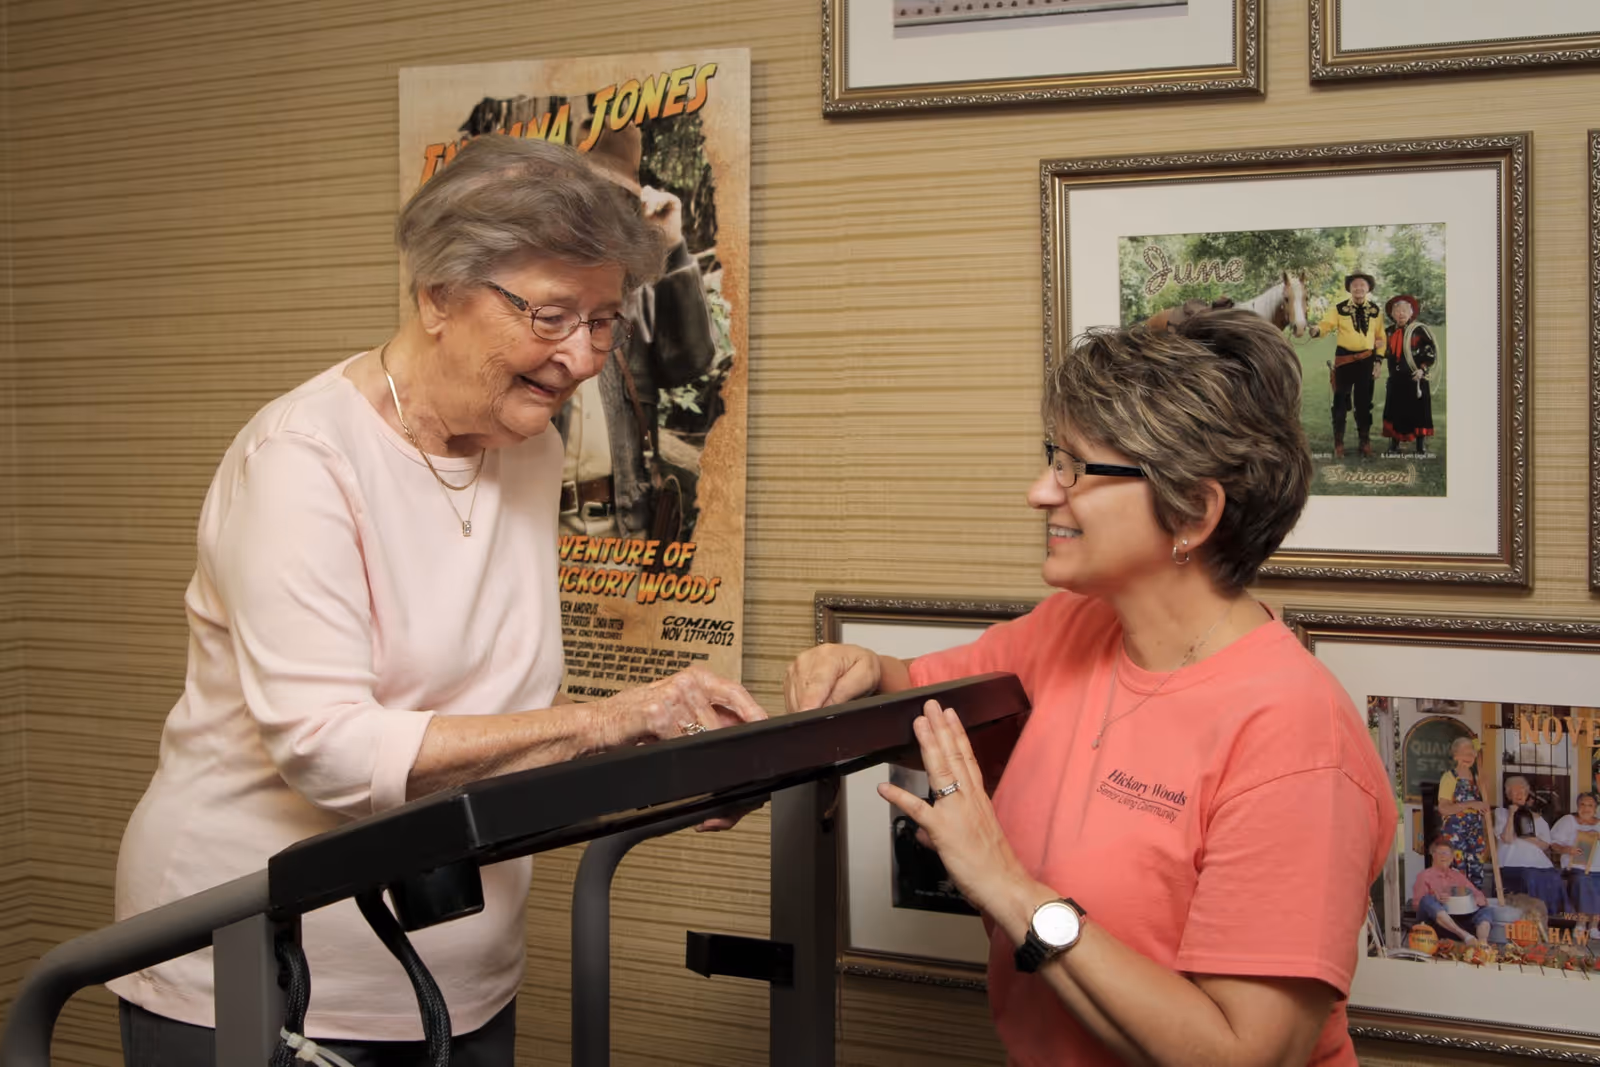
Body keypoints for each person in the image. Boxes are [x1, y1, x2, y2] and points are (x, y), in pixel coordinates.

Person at [109, 134, 765, 1067]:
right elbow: (330, 747)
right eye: (550, 314)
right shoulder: (302, 461)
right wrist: (612, 720)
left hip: (458, 962)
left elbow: (505, 716)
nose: (582, 356)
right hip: (253, 969)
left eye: (606, 319)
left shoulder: (523, 444)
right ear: (437, 295)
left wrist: (664, 744)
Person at [785, 310, 1395, 1067]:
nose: (1041, 491)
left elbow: (1240, 1054)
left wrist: (1009, 886)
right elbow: (922, 694)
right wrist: (862, 671)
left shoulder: (1299, 739)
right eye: (1053, 459)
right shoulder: (1070, 629)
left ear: (1193, 512)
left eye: (1076, 468)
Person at [552, 120, 717, 547]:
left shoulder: (635, 294)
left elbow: (693, 360)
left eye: (611, 198)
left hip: (623, 530)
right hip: (537, 531)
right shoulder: (530, 291)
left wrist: (673, 245)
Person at [1309, 272, 1385, 459]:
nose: (1358, 288)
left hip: (1367, 361)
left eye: (1362, 285)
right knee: (1340, 402)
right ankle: (1339, 444)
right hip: (1344, 361)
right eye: (1355, 285)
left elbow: (1381, 338)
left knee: (1364, 403)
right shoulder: (1339, 309)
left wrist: (1378, 361)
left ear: (1368, 289)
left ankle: (1365, 443)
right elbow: (1326, 325)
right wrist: (1316, 330)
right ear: (1350, 289)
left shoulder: (1376, 311)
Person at [1493, 776, 1568, 917]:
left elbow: (1545, 845)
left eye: (1523, 791)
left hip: (1539, 864)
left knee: (1553, 877)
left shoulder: (1537, 818)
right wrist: (1511, 815)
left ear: (1528, 794)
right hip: (1512, 864)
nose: (1520, 795)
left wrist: (1526, 836)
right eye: (1515, 792)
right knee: (1528, 877)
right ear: (1508, 795)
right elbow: (1507, 838)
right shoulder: (1501, 813)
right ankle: (1526, 918)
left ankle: (1546, 916)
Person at [1379, 294, 1438, 455]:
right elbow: (1383, 352)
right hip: (1396, 379)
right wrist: (1377, 347)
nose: (1401, 314)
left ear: (1411, 313)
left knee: (1419, 411)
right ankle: (1394, 443)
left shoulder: (1419, 331)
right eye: (1397, 311)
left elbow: (1430, 352)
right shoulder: (1388, 332)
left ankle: (1420, 445)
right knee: (1395, 410)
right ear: (1392, 314)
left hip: (1416, 378)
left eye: (1405, 310)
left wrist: (1422, 369)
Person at [1435, 735, 1491, 894]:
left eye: (1472, 753)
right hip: (1456, 833)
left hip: (1475, 832)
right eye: (1465, 753)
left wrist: (1484, 792)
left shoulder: (1476, 779)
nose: (1470, 756)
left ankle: (1476, 902)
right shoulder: (1450, 777)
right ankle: (1458, 906)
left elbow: (1484, 805)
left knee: (1476, 867)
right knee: (1457, 869)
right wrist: (1471, 804)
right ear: (1455, 755)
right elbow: (1444, 808)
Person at [1411, 837, 1494, 944]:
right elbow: (1417, 905)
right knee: (1427, 900)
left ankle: (1482, 943)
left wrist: (1478, 897)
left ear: (1452, 857)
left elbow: (1475, 892)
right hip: (1434, 926)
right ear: (1432, 855)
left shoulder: (1457, 876)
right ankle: (1466, 936)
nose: (1443, 856)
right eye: (1440, 853)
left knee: (1486, 909)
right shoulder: (1424, 876)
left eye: (1447, 853)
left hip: (1457, 921)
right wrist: (1435, 898)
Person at [1550, 792, 1600, 918]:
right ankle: (1581, 923)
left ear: (1595, 809)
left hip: (1598, 869)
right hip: (1576, 869)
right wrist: (1567, 850)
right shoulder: (1568, 821)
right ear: (1577, 806)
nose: (1586, 808)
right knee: (1583, 881)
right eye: (1582, 805)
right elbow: (1553, 843)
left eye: (1590, 805)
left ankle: (1594, 926)